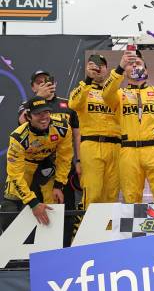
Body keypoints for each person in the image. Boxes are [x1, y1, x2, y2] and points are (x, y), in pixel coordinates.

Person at [102, 49, 154, 203]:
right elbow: (105, 94)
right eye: (130, 64)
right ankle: (134, 227)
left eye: (138, 62)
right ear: (125, 71)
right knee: (131, 198)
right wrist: (120, 67)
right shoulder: (118, 94)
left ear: (146, 70)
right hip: (128, 150)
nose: (135, 65)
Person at [2, 96, 73, 227]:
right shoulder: (18, 137)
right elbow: (15, 174)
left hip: (47, 167)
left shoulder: (62, 127)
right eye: (37, 114)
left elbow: (65, 158)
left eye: (46, 112)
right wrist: (33, 203)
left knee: (53, 206)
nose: (43, 117)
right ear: (28, 117)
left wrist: (59, 185)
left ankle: (52, 245)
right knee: (10, 207)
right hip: (25, 167)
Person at [18, 70, 81, 210]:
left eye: (47, 81)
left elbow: (77, 135)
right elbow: (22, 123)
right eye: (39, 83)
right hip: (36, 165)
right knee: (36, 208)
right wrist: (39, 97)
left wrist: (78, 160)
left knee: (66, 207)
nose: (44, 84)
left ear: (55, 83)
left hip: (61, 166)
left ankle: (66, 232)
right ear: (33, 88)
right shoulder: (26, 105)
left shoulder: (69, 104)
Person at [68, 54, 121, 207]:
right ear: (87, 68)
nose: (97, 68)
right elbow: (73, 104)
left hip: (115, 147)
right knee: (93, 194)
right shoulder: (82, 88)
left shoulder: (116, 92)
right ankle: (89, 230)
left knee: (112, 195)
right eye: (92, 65)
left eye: (101, 66)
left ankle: (109, 231)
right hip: (91, 145)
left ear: (106, 69)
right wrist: (88, 80)